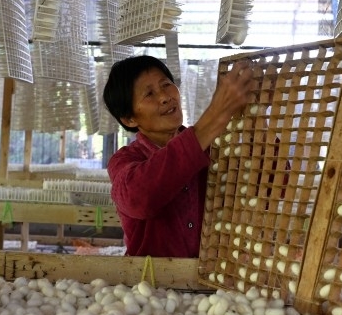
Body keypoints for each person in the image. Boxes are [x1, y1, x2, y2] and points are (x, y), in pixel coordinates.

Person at [103, 55, 256, 258]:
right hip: (150, 284)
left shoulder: (216, 147)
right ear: (129, 119)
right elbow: (140, 199)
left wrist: (259, 116)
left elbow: (274, 183)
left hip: (215, 282)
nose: (165, 96)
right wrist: (218, 112)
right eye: (149, 94)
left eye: (166, 84)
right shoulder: (124, 161)